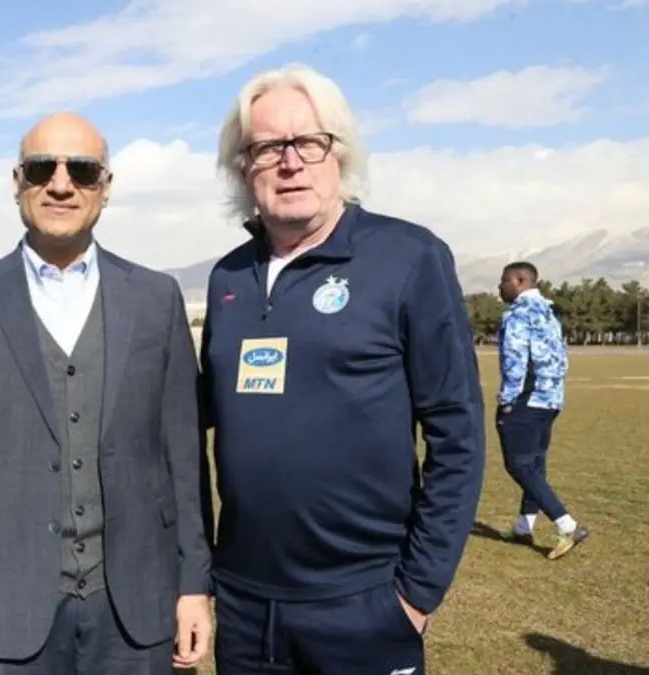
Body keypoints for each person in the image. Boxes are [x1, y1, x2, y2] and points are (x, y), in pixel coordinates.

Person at [199, 63, 486, 674]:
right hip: (245, 605)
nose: (290, 162)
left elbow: (457, 433)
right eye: (268, 147)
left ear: (340, 152)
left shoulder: (408, 258)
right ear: (243, 167)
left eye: (309, 141)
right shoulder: (228, 278)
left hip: (365, 601)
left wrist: (416, 592)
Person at [0, 112, 212, 675]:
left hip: (137, 600)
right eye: (40, 169)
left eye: (81, 169)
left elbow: (183, 456)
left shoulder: (157, 299)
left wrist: (193, 583)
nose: (60, 184)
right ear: (17, 182)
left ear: (105, 186)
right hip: (5, 600)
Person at [495, 261, 588, 559]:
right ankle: (524, 526)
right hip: (550, 398)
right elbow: (561, 356)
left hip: (525, 400)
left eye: (504, 281)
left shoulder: (518, 314)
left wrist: (507, 400)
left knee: (518, 465)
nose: (499, 287)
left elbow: (515, 360)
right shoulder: (549, 312)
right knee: (534, 463)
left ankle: (566, 525)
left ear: (520, 281)